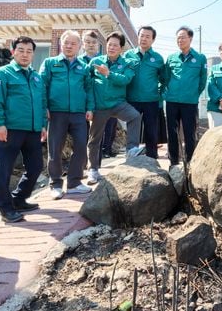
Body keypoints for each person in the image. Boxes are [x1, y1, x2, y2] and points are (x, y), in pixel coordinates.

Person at [0, 36, 47, 222]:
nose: (25, 54)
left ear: (33, 54)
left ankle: (19, 198)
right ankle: (5, 208)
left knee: (36, 166)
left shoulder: (36, 76)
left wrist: (42, 126)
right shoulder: (3, 73)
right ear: (13, 52)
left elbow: (41, 102)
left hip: (33, 130)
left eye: (29, 51)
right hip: (10, 129)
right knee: (4, 169)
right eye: (21, 50)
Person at [39, 30, 94, 200]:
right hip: (56, 113)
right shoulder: (49, 63)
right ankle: (55, 184)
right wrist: (44, 107)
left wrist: (90, 108)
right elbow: (42, 87)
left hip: (78, 113)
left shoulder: (84, 67)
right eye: (66, 43)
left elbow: (89, 89)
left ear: (79, 46)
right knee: (55, 150)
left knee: (80, 148)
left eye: (73, 43)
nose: (69, 46)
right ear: (61, 44)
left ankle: (74, 183)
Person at [87, 32, 144, 184]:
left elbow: (125, 80)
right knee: (94, 139)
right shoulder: (96, 61)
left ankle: (131, 149)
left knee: (135, 116)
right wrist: (90, 107)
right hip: (100, 106)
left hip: (118, 104)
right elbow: (87, 83)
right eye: (109, 44)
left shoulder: (127, 63)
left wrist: (108, 74)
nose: (112, 47)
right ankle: (93, 170)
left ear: (121, 48)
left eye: (115, 45)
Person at [163, 26, 207, 166]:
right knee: (172, 133)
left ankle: (189, 162)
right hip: (172, 101)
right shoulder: (171, 58)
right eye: (178, 38)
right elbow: (166, 78)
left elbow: (202, 81)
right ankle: (173, 162)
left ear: (190, 38)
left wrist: (193, 94)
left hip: (190, 102)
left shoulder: (200, 58)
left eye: (183, 37)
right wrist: (168, 93)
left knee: (190, 134)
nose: (180, 40)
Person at [124, 26, 165, 158]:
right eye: (141, 35)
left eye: (148, 36)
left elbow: (164, 79)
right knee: (132, 131)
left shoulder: (158, 58)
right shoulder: (128, 55)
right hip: (132, 100)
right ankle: (131, 158)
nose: (144, 39)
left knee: (151, 132)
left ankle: (152, 159)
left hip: (151, 101)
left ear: (153, 40)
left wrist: (159, 94)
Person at [82, 30, 119, 159]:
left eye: (93, 42)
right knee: (84, 134)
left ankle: (99, 159)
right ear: (83, 44)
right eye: (87, 42)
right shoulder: (78, 62)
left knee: (104, 132)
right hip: (83, 104)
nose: (91, 45)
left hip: (103, 103)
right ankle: (84, 162)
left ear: (98, 44)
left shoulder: (105, 62)